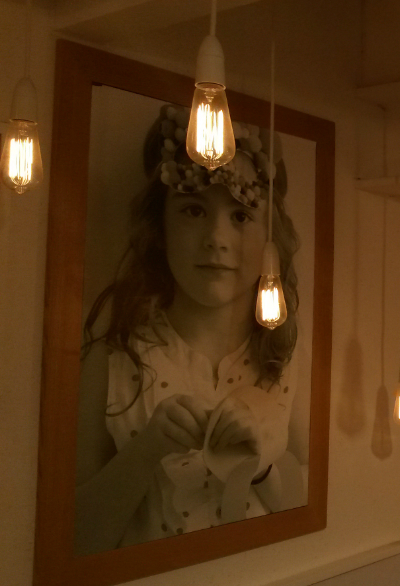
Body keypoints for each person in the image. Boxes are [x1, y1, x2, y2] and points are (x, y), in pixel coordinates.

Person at [74, 105, 300, 555]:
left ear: (270, 237)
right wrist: (146, 450)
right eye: (194, 210)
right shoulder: (115, 357)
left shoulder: (282, 354)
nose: (217, 238)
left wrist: (259, 468)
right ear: (160, 225)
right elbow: (75, 537)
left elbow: (309, 507)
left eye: (241, 216)